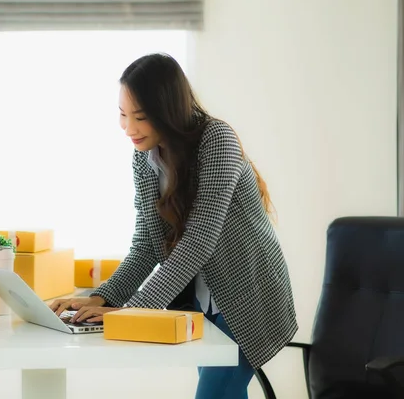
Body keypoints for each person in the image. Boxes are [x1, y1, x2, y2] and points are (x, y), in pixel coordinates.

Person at [49, 53, 298, 399]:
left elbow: (199, 241)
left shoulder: (217, 140)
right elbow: (146, 246)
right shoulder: (143, 157)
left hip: (247, 297)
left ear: (168, 112)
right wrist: (98, 298)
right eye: (122, 115)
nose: (129, 129)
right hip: (201, 303)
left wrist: (131, 311)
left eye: (141, 117)